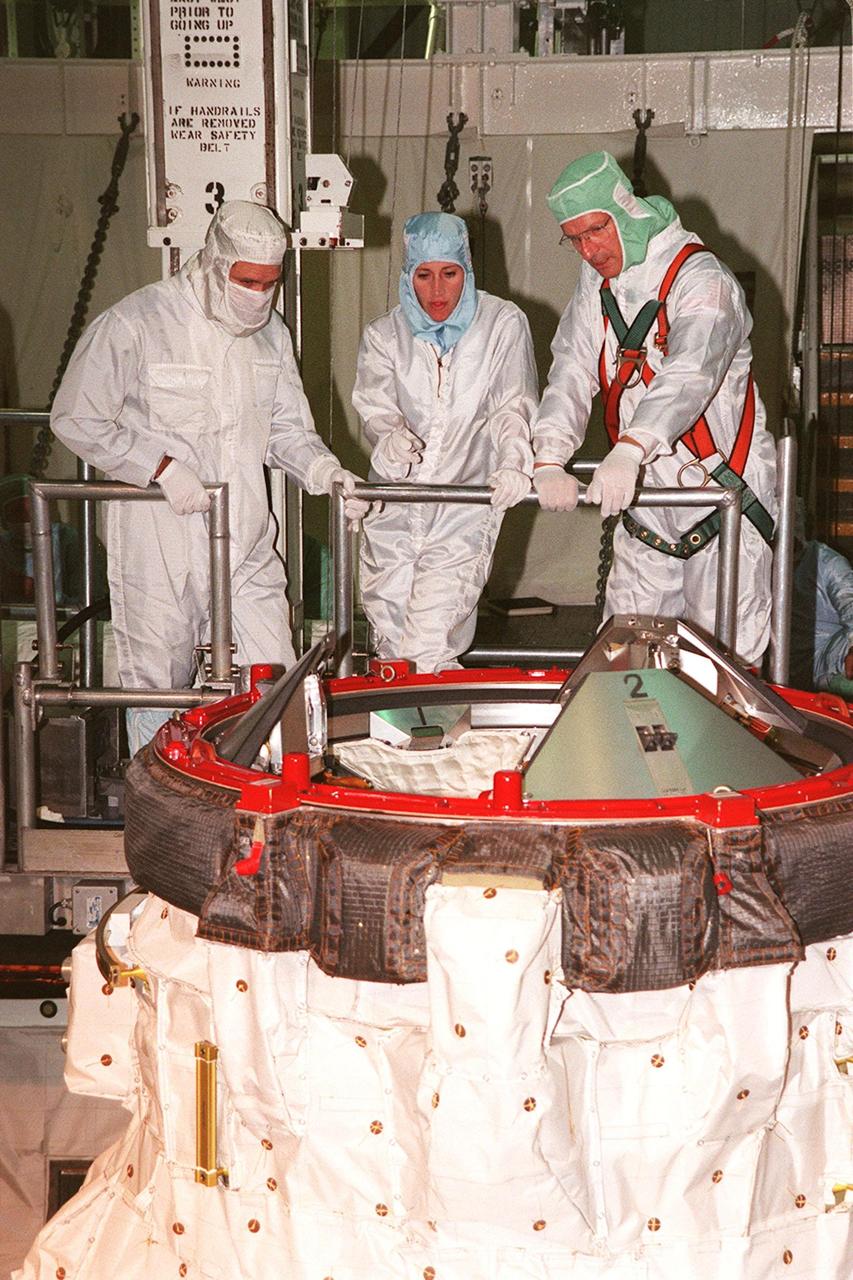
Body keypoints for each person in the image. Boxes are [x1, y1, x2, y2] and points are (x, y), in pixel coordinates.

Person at [52, 201, 367, 753]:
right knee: (159, 688)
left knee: (277, 675)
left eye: (270, 283)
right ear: (215, 262)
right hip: (160, 544)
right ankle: (161, 795)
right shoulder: (138, 322)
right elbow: (75, 417)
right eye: (247, 281)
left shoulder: (272, 335)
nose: (259, 296)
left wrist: (325, 470)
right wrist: (158, 467)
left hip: (245, 538)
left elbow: (287, 431)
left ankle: (272, 789)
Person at [531, 151, 777, 665]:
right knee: (627, 658)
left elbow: (690, 373)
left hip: (721, 496)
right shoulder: (598, 285)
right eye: (573, 238)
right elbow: (572, 366)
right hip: (647, 503)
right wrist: (549, 454)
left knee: (722, 670)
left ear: (624, 210)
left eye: (596, 230)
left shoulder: (703, 280)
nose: (588, 250)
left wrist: (631, 448)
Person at [352, 211, 536, 672]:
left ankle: (431, 718)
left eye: (449, 274)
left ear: (466, 269)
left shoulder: (501, 324)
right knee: (391, 647)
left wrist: (514, 461)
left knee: (429, 645)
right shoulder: (384, 334)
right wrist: (387, 439)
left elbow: (512, 404)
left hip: (461, 511)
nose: (437, 291)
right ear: (407, 274)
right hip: (393, 514)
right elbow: (375, 407)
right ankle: (412, 720)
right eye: (424, 275)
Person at [791, 538, 853, 697]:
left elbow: (849, 604)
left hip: (824, 660)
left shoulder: (828, 563)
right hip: (779, 667)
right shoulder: (757, 563)